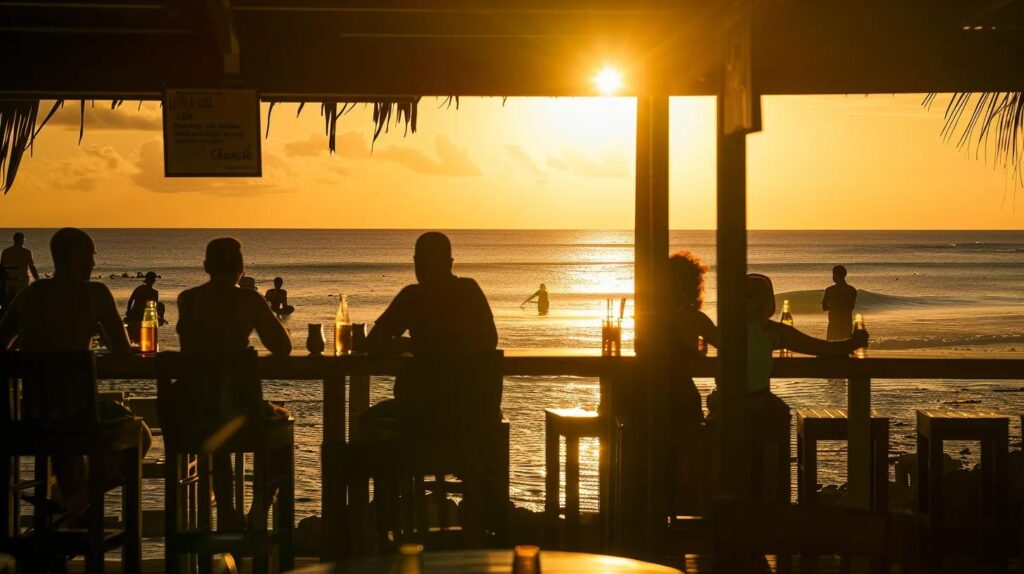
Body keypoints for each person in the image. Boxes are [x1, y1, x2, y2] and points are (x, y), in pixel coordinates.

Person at [0, 228, 151, 517]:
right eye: (91, 256)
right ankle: (78, 499)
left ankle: (66, 519)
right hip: (80, 417)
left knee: (64, 434)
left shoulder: (29, 296)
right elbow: (121, 348)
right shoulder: (95, 294)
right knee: (139, 434)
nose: (94, 264)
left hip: (35, 418)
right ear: (78, 256)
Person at [176, 237, 292, 529]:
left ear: (205, 267)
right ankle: (257, 511)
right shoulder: (249, 300)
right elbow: (282, 347)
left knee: (216, 423)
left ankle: (227, 510)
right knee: (282, 427)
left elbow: (189, 346)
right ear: (241, 268)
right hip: (243, 413)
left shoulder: (187, 300)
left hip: (196, 412)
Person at [364, 232, 498, 432]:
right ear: (450, 263)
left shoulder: (413, 296)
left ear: (416, 262)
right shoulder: (471, 290)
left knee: (365, 421)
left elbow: (373, 343)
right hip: (473, 413)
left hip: (421, 413)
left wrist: (409, 344)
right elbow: (490, 341)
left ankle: (385, 463)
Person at [125, 271, 167, 342]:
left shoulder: (139, 288)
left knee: (160, 306)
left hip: (135, 314)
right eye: (153, 279)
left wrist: (129, 312)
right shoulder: (154, 293)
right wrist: (160, 317)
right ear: (153, 280)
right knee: (161, 305)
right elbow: (153, 308)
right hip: (143, 316)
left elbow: (130, 301)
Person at [1, 232, 39, 306]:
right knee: (23, 302)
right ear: (23, 240)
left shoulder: (6, 251)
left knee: (8, 303)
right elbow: (32, 267)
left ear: (14, 240)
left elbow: (2, 268)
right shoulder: (26, 252)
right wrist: (37, 279)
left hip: (9, 282)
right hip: (22, 282)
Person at [822, 265, 858, 341]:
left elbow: (824, 307)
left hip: (834, 324)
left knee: (832, 347)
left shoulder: (830, 290)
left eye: (833, 274)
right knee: (846, 347)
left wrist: (833, 305)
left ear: (836, 275)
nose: (833, 277)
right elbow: (851, 307)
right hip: (847, 324)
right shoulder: (852, 290)